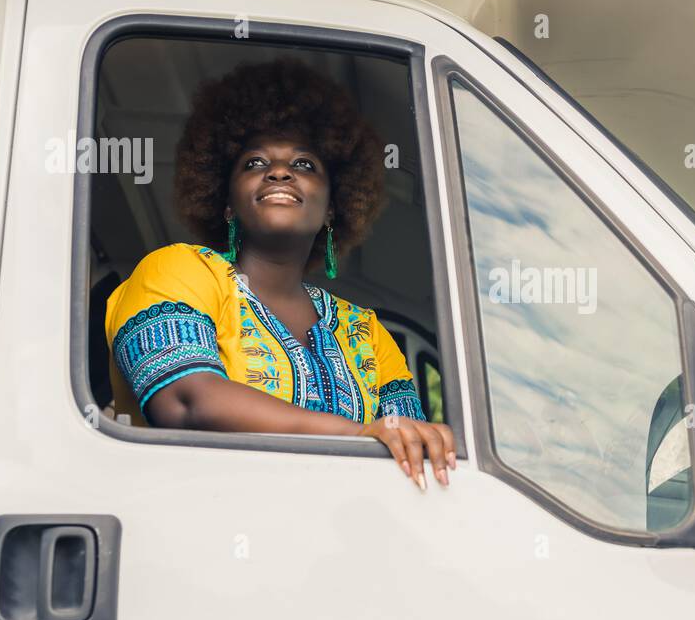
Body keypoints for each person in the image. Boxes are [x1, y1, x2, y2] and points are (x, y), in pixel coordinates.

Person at [105, 58, 454, 490]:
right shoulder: (180, 270)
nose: (279, 171)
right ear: (227, 203)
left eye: (305, 165)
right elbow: (184, 401)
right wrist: (358, 433)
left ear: (332, 207)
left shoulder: (367, 333)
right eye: (254, 163)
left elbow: (409, 449)